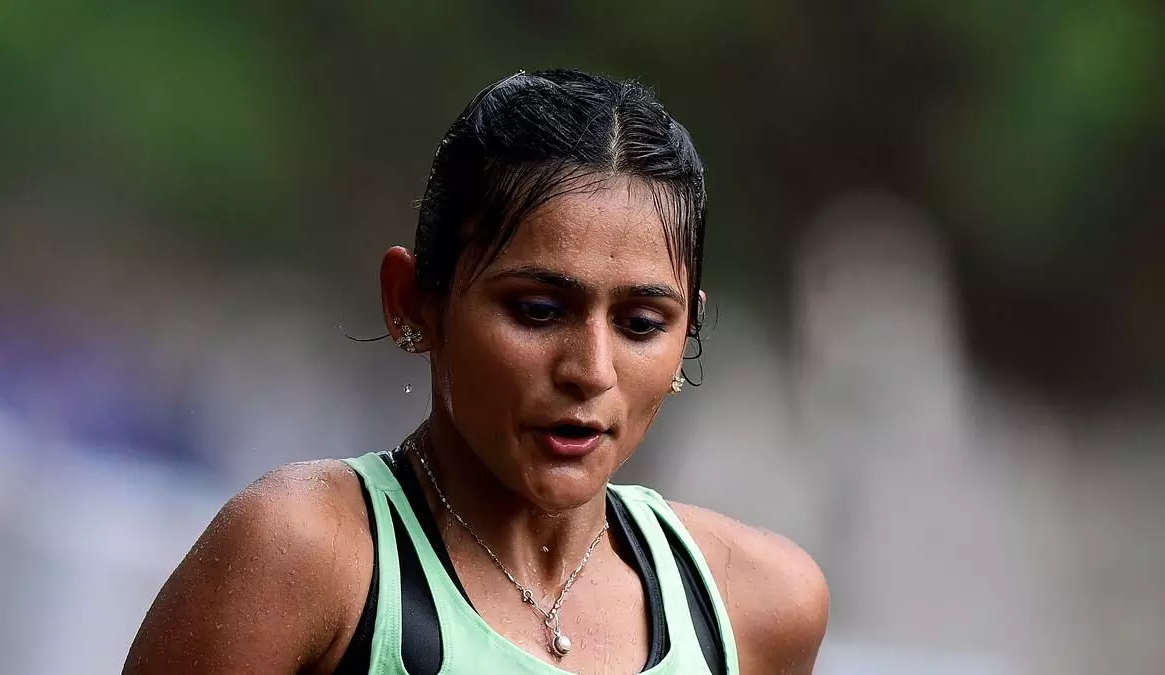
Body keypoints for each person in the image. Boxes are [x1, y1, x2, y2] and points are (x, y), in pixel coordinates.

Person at [123, 68, 828, 675]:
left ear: (687, 331)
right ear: (412, 302)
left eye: (641, 324)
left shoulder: (755, 603)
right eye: (538, 310)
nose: (591, 370)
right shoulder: (310, 558)